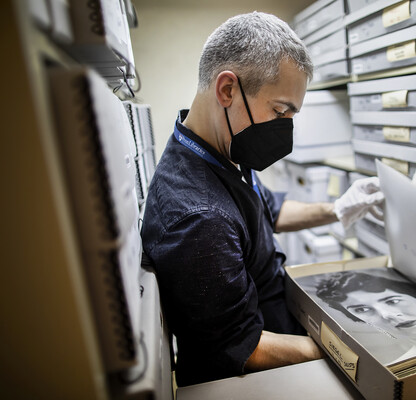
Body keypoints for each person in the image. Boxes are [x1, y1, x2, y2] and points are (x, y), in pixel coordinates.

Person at [141, 12, 384, 386]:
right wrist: (346, 354)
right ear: (227, 90)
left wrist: (338, 209)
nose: (284, 127)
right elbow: (242, 348)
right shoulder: (198, 217)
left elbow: (267, 208)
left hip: (279, 326)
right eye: (279, 110)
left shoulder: (219, 150)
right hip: (254, 374)